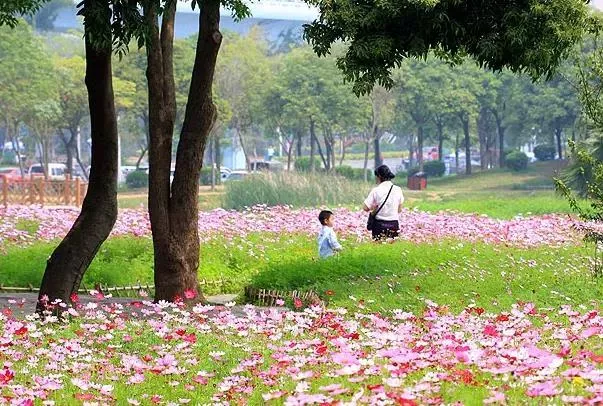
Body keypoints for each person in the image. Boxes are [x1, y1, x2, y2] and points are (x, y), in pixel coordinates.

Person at [363, 165, 404, 240]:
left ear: (379, 176)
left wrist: (375, 208)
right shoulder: (398, 189)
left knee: (378, 248)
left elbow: (365, 208)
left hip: (379, 225)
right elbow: (399, 209)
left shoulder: (376, 190)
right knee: (392, 249)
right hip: (394, 224)